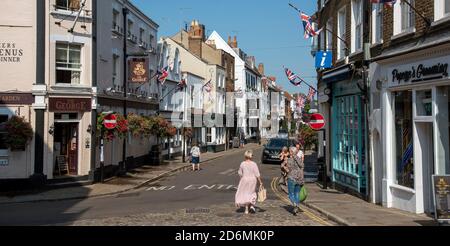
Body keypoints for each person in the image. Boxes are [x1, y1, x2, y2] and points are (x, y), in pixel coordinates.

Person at [235, 150, 263, 214]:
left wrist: (240, 181)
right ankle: (252, 206)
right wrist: (260, 182)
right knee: (252, 193)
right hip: (252, 180)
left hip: (245, 180)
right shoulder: (254, 164)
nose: (252, 156)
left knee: (246, 193)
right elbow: (257, 174)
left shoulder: (242, 163)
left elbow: (240, 173)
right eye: (252, 155)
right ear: (250, 156)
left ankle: (246, 209)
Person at [286, 147, 305, 216]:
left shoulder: (289, 160)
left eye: (289, 151)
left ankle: (294, 205)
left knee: (291, 194)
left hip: (292, 178)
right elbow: (302, 166)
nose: (289, 152)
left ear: (291, 152)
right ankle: (297, 205)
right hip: (300, 178)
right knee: (297, 193)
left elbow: (288, 168)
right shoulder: (299, 159)